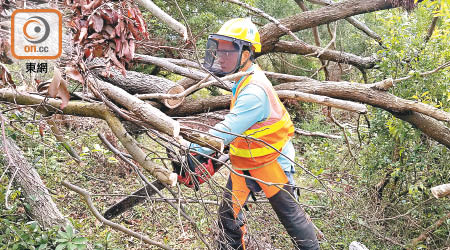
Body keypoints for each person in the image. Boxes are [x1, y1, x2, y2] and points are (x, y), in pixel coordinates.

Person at [183, 18, 319, 250]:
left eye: (229, 51)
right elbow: (240, 128)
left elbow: (227, 129)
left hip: (271, 161)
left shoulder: (254, 90)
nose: (222, 57)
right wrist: (207, 155)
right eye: (220, 51)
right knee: (228, 216)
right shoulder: (242, 80)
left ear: (246, 54)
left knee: (292, 219)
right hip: (247, 160)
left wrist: (195, 151)